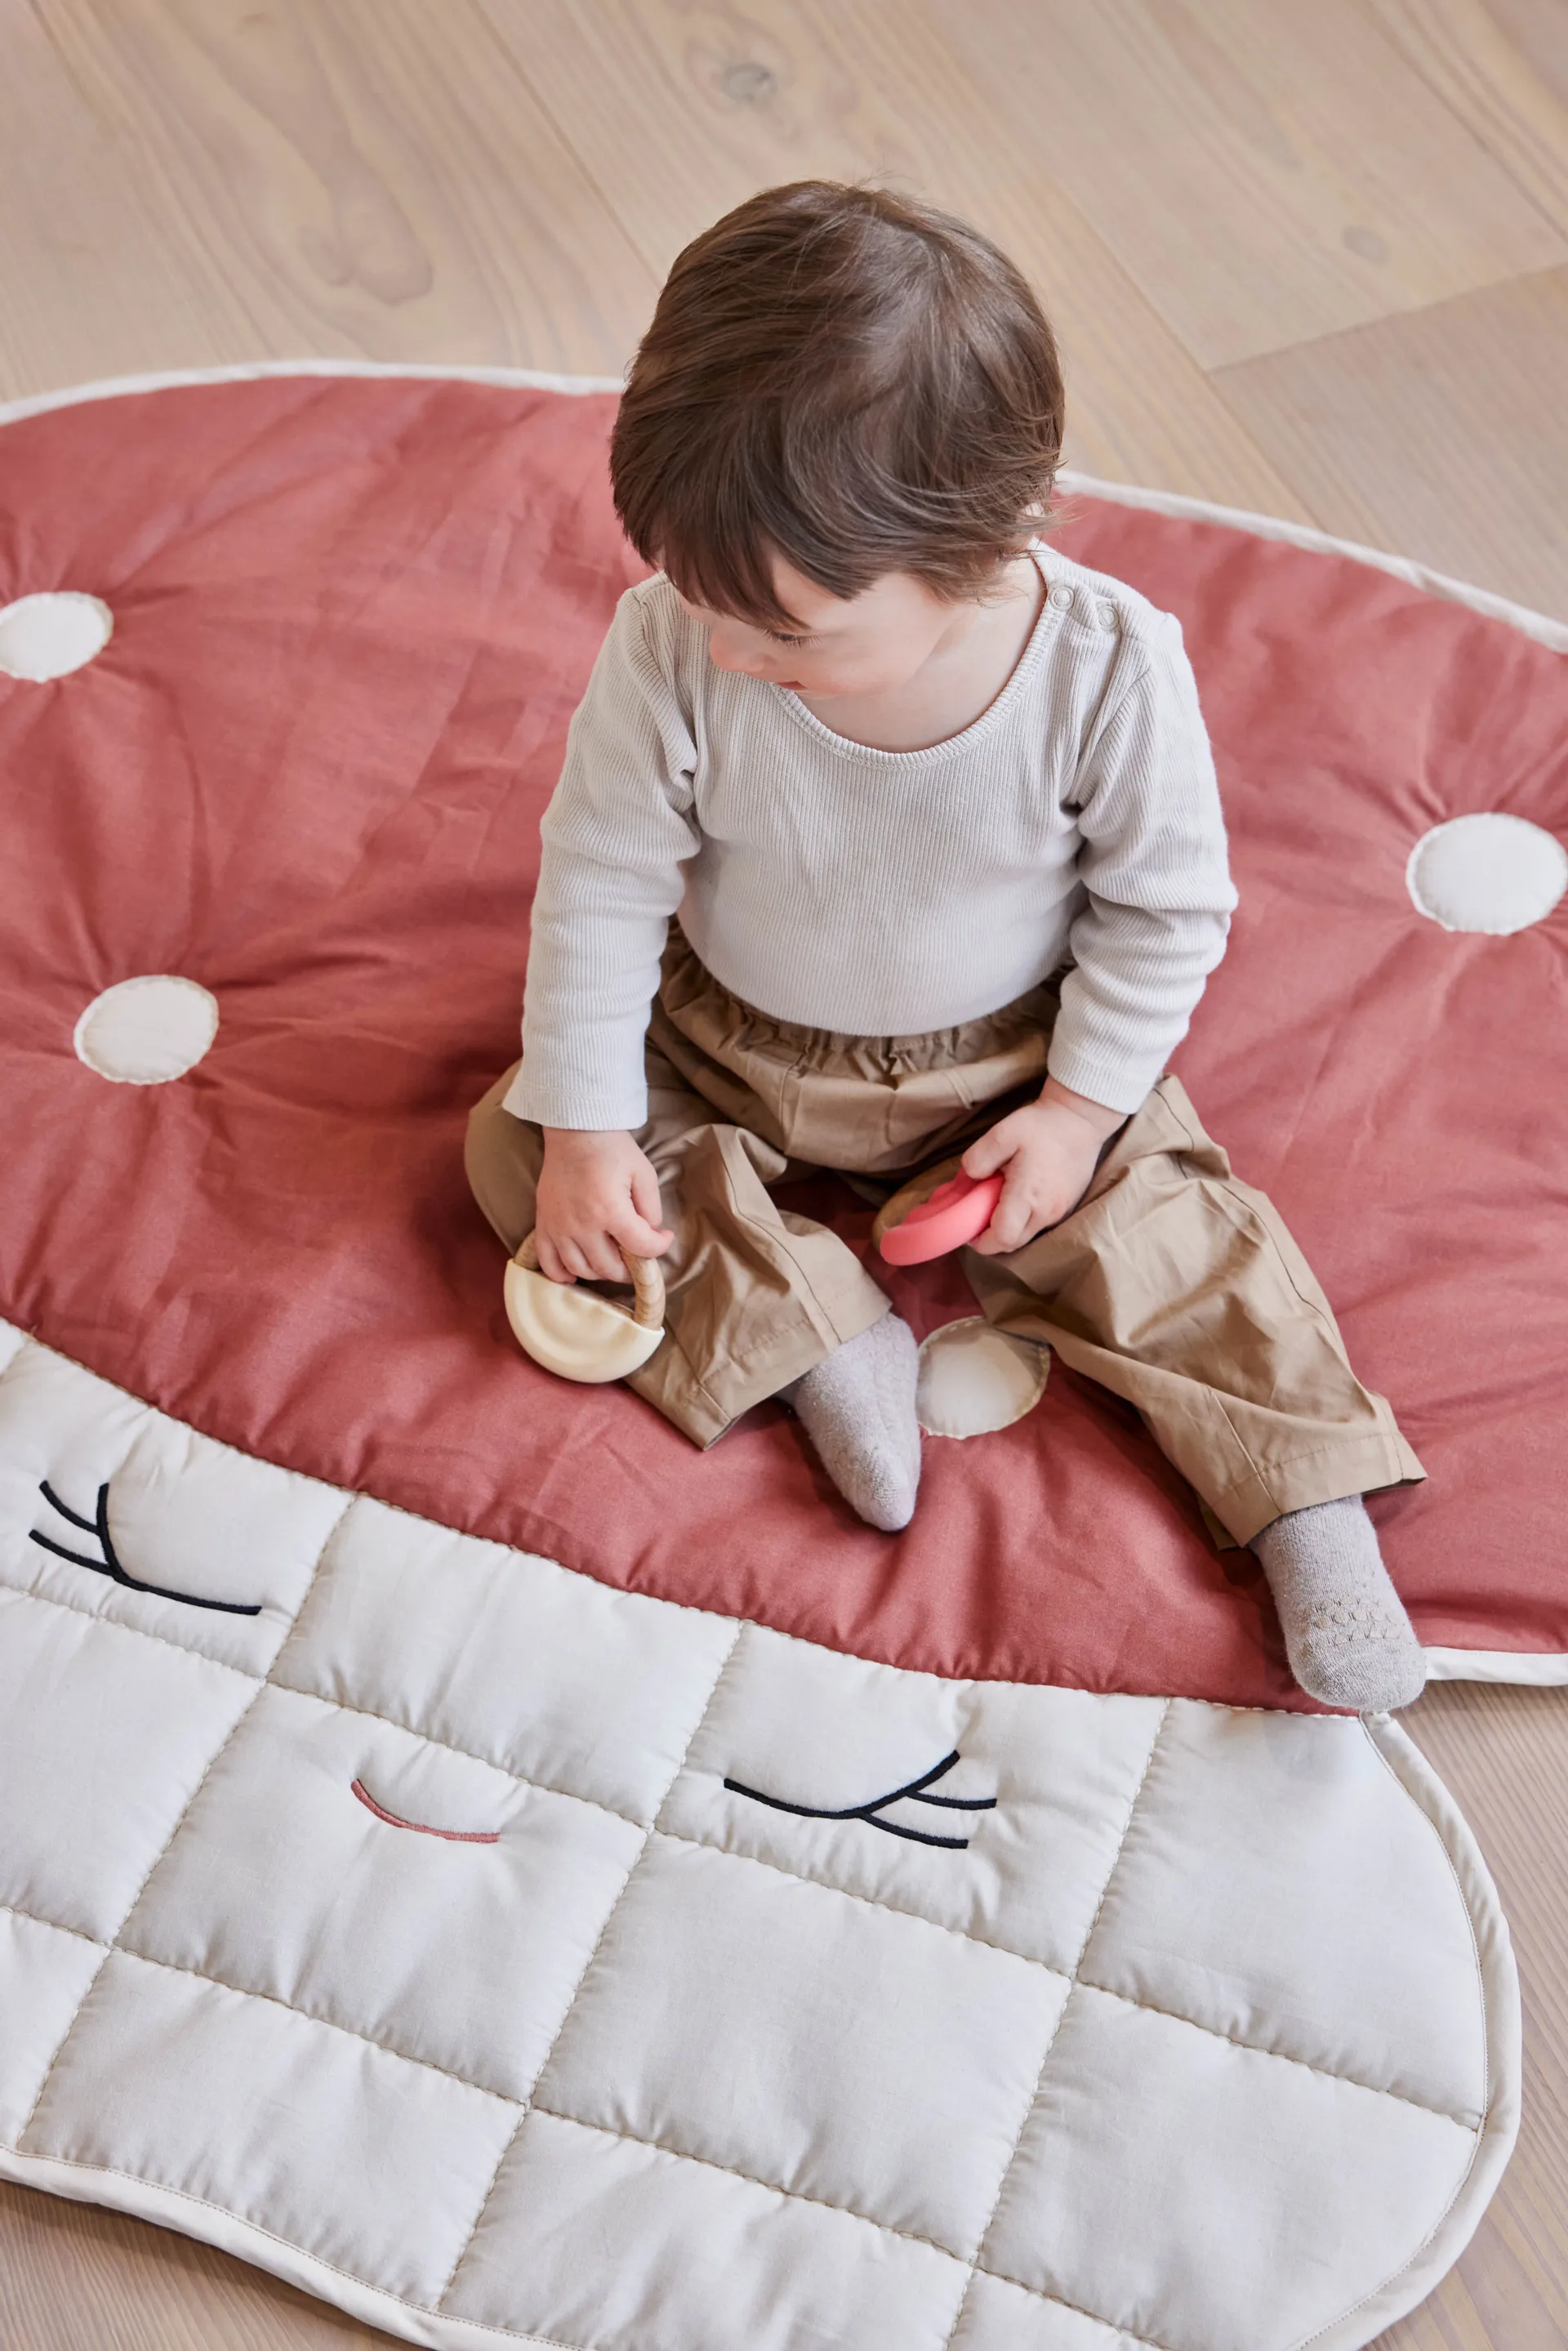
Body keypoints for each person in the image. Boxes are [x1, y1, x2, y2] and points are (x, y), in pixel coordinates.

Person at [466, 180, 1427, 1714]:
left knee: (1178, 1237)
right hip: (722, 1036)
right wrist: (587, 1125)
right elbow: (598, 882)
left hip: (1011, 1061)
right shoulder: (676, 641)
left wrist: (1082, 1111)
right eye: (698, 599)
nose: (728, 650)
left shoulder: (1106, 668)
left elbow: (1166, 909)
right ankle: (814, 1336)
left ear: (981, 551)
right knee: (524, 1148)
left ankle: (1300, 1489)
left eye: (787, 630)